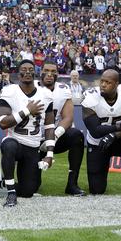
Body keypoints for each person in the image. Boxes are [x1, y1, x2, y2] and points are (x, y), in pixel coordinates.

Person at [0, 60, 54, 207]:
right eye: (24, 69)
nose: (27, 72)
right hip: (15, 141)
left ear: (35, 72)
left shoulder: (46, 94)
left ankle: (2, 181)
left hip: (32, 146)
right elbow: (2, 122)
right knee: (9, 145)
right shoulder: (10, 91)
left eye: (30, 69)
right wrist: (27, 111)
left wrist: (49, 155)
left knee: (28, 191)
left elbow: (49, 126)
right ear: (18, 73)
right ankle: (10, 193)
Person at [82, 69, 121, 200]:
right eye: (102, 81)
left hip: (119, 140)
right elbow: (95, 131)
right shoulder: (90, 96)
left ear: (116, 84)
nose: (103, 85)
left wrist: (114, 135)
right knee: (96, 189)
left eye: (108, 82)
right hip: (98, 143)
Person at [37, 61, 85, 196]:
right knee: (31, 186)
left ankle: (72, 184)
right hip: (34, 139)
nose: (50, 74)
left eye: (53, 72)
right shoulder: (32, 88)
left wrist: (54, 138)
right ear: (40, 72)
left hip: (54, 137)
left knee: (76, 135)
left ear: (58, 74)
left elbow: (68, 118)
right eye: (46, 70)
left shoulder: (63, 89)